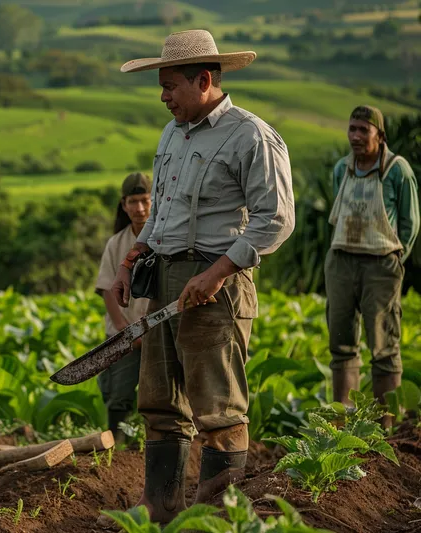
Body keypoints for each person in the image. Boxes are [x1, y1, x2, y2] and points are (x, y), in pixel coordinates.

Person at [105, 29, 295, 525]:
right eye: (161, 87)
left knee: (218, 406)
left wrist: (218, 272)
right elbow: (163, 209)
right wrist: (134, 257)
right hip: (166, 275)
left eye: (170, 86)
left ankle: (215, 516)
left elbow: (276, 218)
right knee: (161, 400)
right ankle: (160, 505)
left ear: (204, 79)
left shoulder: (251, 135)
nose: (163, 96)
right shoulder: (173, 134)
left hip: (216, 285)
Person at [326, 105, 420, 427]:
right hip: (341, 260)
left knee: (383, 346)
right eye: (351, 128)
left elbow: (410, 222)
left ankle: (385, 426)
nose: (355, 136)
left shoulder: (396, 170)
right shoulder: (342, 169)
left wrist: (395, 260)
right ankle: (344, 421)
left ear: (380, 135)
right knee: (340, 341)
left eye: (362, 130)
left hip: (381, 265)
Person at [95, 173, 152, 444]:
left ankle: (146, 445)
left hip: (158, 333)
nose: (139, 209)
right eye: (133, 202)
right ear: (124, 204)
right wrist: (124, 330)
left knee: (162, 397)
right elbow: (106, 287)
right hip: (124, 334)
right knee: (117, 396)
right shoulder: (116, 243)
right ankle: (116, 448)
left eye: (144, 201)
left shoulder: (166, 238)